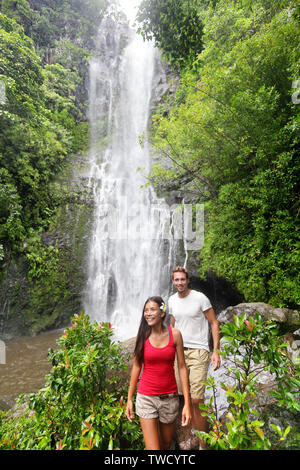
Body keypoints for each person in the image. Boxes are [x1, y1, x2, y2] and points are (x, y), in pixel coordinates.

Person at [126, 296, 191, 450]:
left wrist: (187, 403)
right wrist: (129, 398)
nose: (148, 313)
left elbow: (182, 367)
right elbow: (136, 366)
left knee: (166, 444)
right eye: (146, 310)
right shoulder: (142, 336)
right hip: (146, 397)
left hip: (169, 398)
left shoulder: (175, 335)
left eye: (152, 309)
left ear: (162, 313)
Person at [169, 266, 221, 449]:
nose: (180, 283)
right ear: (173, 281)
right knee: (179, 396)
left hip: (199, 350)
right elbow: (173, 326)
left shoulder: (200, 298)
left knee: (196, 400)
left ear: (188, 280)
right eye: (176, 280)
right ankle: (183, 437)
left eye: (182, 279)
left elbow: (214, 323)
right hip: (179, 352)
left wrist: (216, 351)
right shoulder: (172, 300)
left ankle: (203, 444)